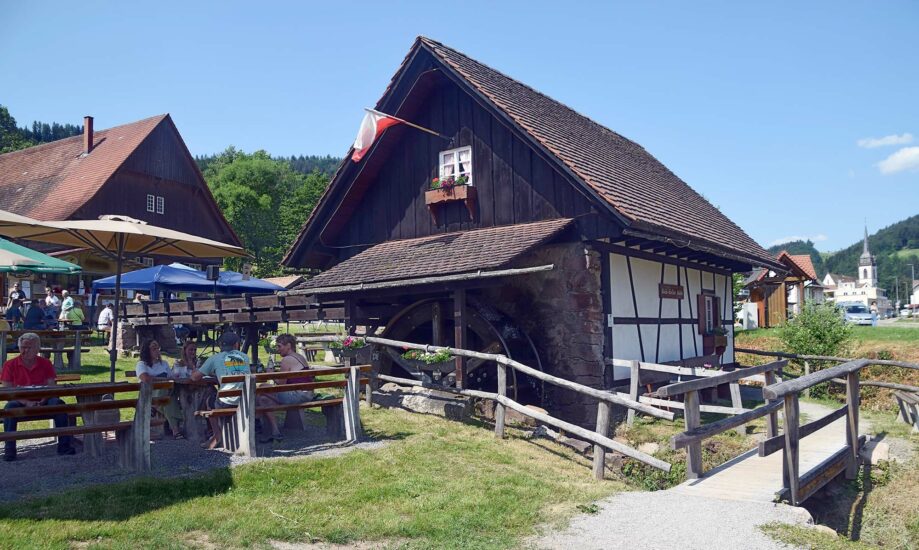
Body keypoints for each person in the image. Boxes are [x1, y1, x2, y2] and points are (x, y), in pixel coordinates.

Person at [2, 332, 75, 461]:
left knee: (59, 405)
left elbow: (51, 386)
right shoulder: (10, 365)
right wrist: (26, 402)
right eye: (22, 347)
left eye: (29, 348)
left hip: (44, 399)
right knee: (9, 408)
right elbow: (8, 391)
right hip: (20, 401)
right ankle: (10, 451)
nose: (25, 351)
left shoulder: (45, 363)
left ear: (37, 349)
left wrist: (43, 399)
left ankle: (64, 447)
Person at [191, 331, 251, 449]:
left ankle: (217, 436)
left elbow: (194, 377)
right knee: (217, 397)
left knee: (209, 401)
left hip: (227, 402)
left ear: (220, 345)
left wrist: (194, 369)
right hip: (246, 400)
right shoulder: (244, 357)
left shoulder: (214, 358)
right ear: (236, 344)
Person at [256, 333, 315, 443]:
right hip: (308, 393)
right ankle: (274, 431)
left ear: (288, 345)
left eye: (279, 346)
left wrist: (271, 375)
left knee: (261, 389)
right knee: (264, 398)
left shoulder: (287, 360)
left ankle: (257, 421)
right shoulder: (300, 357)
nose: (278, 349)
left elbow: (281, 386)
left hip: (298, 395)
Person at [135, 339, 183, 438]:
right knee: (168, 398)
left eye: (158, 348)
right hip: (150, 393)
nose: (157, 350)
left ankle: (155, 407)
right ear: (147, 350)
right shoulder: (142, 364)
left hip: (165, 392)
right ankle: (176, 430)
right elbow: (145, 378)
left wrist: (162, 379)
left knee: (168, 398)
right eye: (154, 348)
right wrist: (163, 379)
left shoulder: (164, 363)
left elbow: (171, 378)